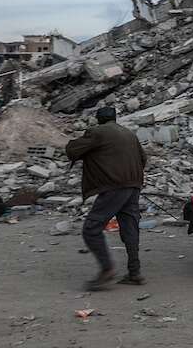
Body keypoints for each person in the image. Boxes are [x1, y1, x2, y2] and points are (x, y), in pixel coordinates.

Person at [65, 106, 147, 289]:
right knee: (130, 227)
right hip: (133, 186)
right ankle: (135, 273)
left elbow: (72, 150)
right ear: (115, 118)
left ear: (98, 119)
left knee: (91, 228)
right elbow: (143, 159)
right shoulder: (129, 134)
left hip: (114, 186)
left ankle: (107, 269)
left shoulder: (97, 132)